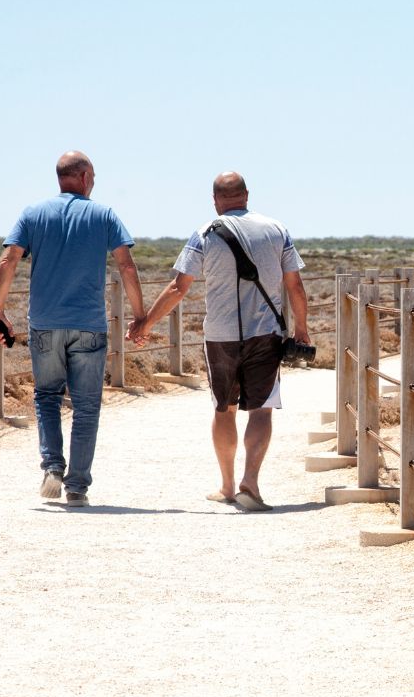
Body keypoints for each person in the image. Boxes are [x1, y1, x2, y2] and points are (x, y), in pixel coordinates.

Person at [131, 171, 309, 512]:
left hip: (221, 336)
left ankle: (227, 486)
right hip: (265, 334)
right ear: (246, 195)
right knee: (261, 409)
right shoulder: (277, 230)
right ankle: (250, 484)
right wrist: (302, 328)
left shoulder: (203, 234)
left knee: (223, 409)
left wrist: (144, 325)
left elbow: (178, 288)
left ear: (215, 201)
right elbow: (295, 286)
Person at [0, 151, 146, 507]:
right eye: (93, 174)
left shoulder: (32, 214)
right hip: (89, 325)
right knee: (87, 406)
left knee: (46, 396)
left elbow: (9, 259)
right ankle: (77, 485)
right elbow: (126, 265)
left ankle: (52, 467)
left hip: (45, 323)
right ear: (83, 175)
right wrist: (140, 315)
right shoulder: (104, 214)